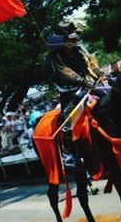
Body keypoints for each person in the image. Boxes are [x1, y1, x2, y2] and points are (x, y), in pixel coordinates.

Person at [46, 21, 106, 166]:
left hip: (90, 86)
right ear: (63, 40)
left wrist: (101, 76)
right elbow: (68, 75)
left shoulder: (80, 51)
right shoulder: (53, 58)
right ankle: (68, 152)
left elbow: (91, 66)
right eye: (70, 38)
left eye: (74, 38)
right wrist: (87, 83)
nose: (74, 40)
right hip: (70, 92)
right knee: (69, 118)